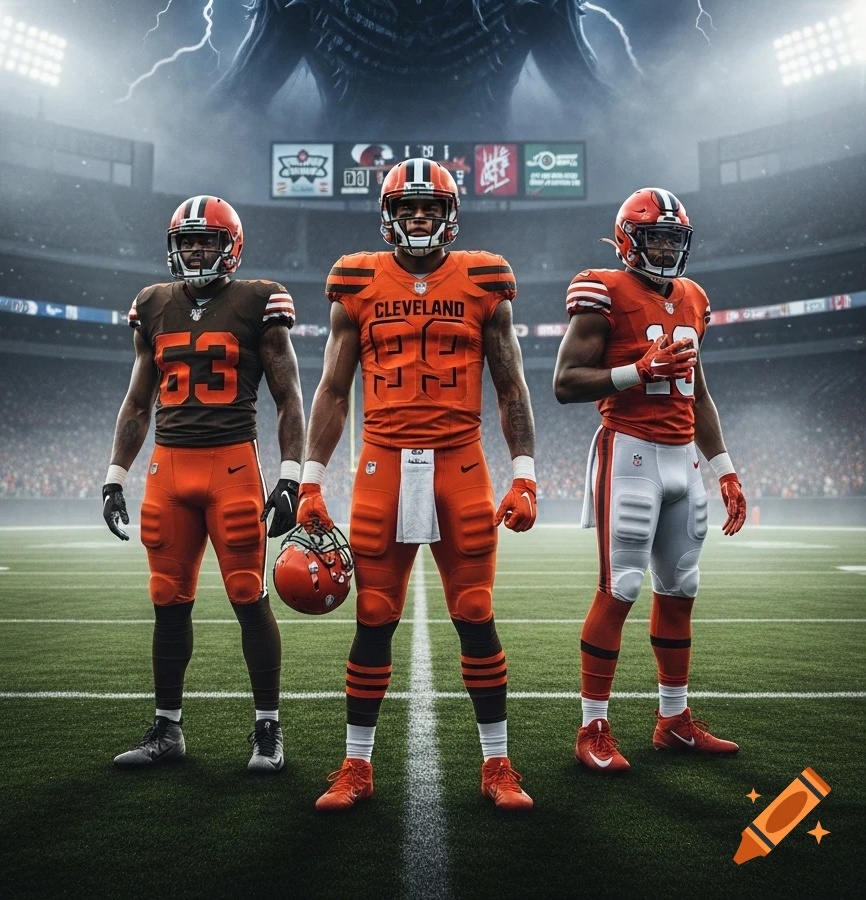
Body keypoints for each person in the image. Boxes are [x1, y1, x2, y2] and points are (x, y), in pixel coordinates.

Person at [300, 158, 537, 812]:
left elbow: (510, 384)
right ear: (390, 216)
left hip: (460, 459)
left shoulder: (486, 279)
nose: (419, 217)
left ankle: (497, 765)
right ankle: (355, 766)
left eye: (429, 207)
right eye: (408, 209)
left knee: (475, 612)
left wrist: (525, 473)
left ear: (450, 214)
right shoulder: (357, 281)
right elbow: (331, 388)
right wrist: (312, 479)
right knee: (374, 615)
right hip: (382, 461)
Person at [102, 195, 305, 773]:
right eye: (187, 240)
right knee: (167, 601)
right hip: (168, 469)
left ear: (230, 246)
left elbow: (289, 398)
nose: (196, 249)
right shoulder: (153, 305)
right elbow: (138, 401)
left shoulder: (257, 301)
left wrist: (290, 477)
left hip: (232, 467)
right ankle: (167, 729)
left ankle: (268, 728)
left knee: (247, 595)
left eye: (207, 240)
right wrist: (116, 475)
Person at [553, 187, 747, 772]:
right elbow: (566, 382)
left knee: (681, 587)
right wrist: (635, 372)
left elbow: (701, 393)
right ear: (627, 240)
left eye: (672, 238)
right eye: (654, 237)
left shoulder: (693, 297)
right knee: (622, 587)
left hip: (684, 456)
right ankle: (592, 727)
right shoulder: (603, 290)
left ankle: (674, 720)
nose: (664, 248)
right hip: (629, 451)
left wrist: (726, 470)